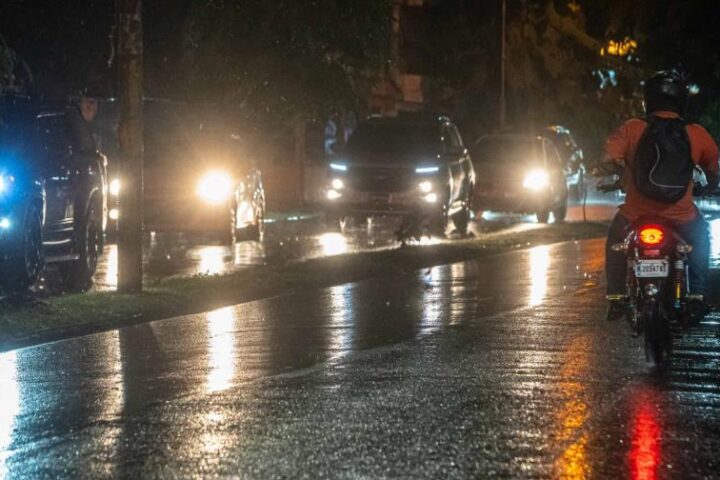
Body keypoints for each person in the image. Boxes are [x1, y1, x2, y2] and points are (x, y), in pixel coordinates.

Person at [596, 70, 719, 321]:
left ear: (648, 99)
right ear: (682, 100)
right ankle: (696, 296)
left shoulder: (632, 128)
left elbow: (606, 159)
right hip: (681, 216)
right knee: (700, 237)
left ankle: (616, 297)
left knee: (615, 241)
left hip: (635, 214)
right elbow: (713, 167)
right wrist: (711, 185)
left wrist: (621, 174)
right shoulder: (695, 133)